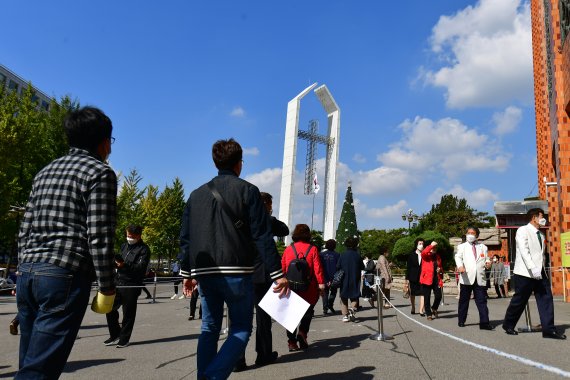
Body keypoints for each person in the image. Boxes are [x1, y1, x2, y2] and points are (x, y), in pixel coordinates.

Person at [16, 106, 117, 379]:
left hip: (28, 273)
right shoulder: (100, 173)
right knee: (40, 370)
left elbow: (25, 227)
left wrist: (23, 267)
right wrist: (107, 285)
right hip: (64, 275)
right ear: (104, 142)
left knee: (29, 360)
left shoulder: (44, 172)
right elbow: (99, 234)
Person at [179, 138, 289, 379]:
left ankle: (204, 376)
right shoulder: (248, 191)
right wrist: (277, 274)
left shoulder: (195, 195)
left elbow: (186, 237)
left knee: (209, 328)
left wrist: (187, 273)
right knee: (240, 329)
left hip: (205, 272)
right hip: (237, 270)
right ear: (239, 164)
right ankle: (213, 376)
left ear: (215, 162)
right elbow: (262, 235)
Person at [236, 191, 289, 370]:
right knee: (263, 318)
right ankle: (264, 354)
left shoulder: (241, 219)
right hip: (262, 275)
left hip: (242, 273)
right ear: (265, 204)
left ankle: (238, 359)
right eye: (270, 204)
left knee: (240, 318)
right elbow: (284, 229)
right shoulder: (265, 219)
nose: (271, 207)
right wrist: (266, 215)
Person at [502, 208, 566, 339]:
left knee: (546, 299)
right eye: (541, 216)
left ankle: (548, 330)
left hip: (540, 273)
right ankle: (508, 324)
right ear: (534, 218)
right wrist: (532, 267)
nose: (544, 219)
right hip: (525, 273)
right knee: (520, 300)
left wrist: (540, 269)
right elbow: (524, 251)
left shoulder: (541, 235)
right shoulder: (522, 230)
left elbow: (540, 255)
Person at [105, 225, 151, 347]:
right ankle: (115, 334)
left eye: (131, 236)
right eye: (127, 235)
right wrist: (116, 264)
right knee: (109, 308)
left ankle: (124, 339)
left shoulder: (144, 249)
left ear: (138, 235)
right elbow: (119, 263)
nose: (128, 238)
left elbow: (140, 269)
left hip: (132, 284)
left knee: (128, 313)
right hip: (118, 282)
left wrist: (124, 265)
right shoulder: (124, 246)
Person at [281, 224, 325, 351]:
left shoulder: (289, 249)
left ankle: (291, 342)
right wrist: (321, 284)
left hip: (291, 286)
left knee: (291, 315)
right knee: (308, 311)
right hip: (308, 286)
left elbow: (283, 267)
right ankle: (303, 333)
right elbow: (318, 268)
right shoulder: (313, 249)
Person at [455, 227, 494, 330]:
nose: (470, 235)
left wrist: (488, 264)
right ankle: (461, 320)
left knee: (482, 301)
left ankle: (484, 323)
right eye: (468, 233)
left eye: (473, 233)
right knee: (464, 301)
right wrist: (460, 266)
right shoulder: (462, 246)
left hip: (479, 278)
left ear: (477, 236)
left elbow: (486, 260)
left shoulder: (483, 247)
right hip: (466, 276)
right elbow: (458, 257)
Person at [337, 237, 364, 322]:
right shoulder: (357, 255)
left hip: (344, 278)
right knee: (355, 295)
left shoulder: (343, 254)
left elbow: (338, 266)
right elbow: (362, 267)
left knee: (344, 296)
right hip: (355, 277)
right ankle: (352, 309)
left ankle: (345, 316)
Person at [419, 241, 442, 321]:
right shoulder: (426, 256)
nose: (434, 249)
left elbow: (441, 267)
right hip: (427, 279)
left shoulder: (438, 257)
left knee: (439, 296)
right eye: (433, 248)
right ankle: (429, 314)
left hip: (436, 279)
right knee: (427, 297)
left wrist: (440, 270)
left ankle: (434, 308)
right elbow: (424, 252)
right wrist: (431, 245)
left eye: (435, 248)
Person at [319, 239, 340, 314]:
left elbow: (320, 267)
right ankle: (330, 305)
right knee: (333, 292)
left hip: (324, 276)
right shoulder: (337, 255)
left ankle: (325, 308)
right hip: (334, 277)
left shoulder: (321, 255)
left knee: (325, 292)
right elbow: (338, 267)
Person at [406, 238, 425, 315]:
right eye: (420, 243)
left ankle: (421, 310)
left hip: (422, 277)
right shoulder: (411, 255)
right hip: (413, 277)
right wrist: (406, 279)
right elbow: (408, 267)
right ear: (416, 244)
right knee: (413, 293)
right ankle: (413, 307)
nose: (421, 245)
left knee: (423, 293)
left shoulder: (425, 254)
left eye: (422, 244)